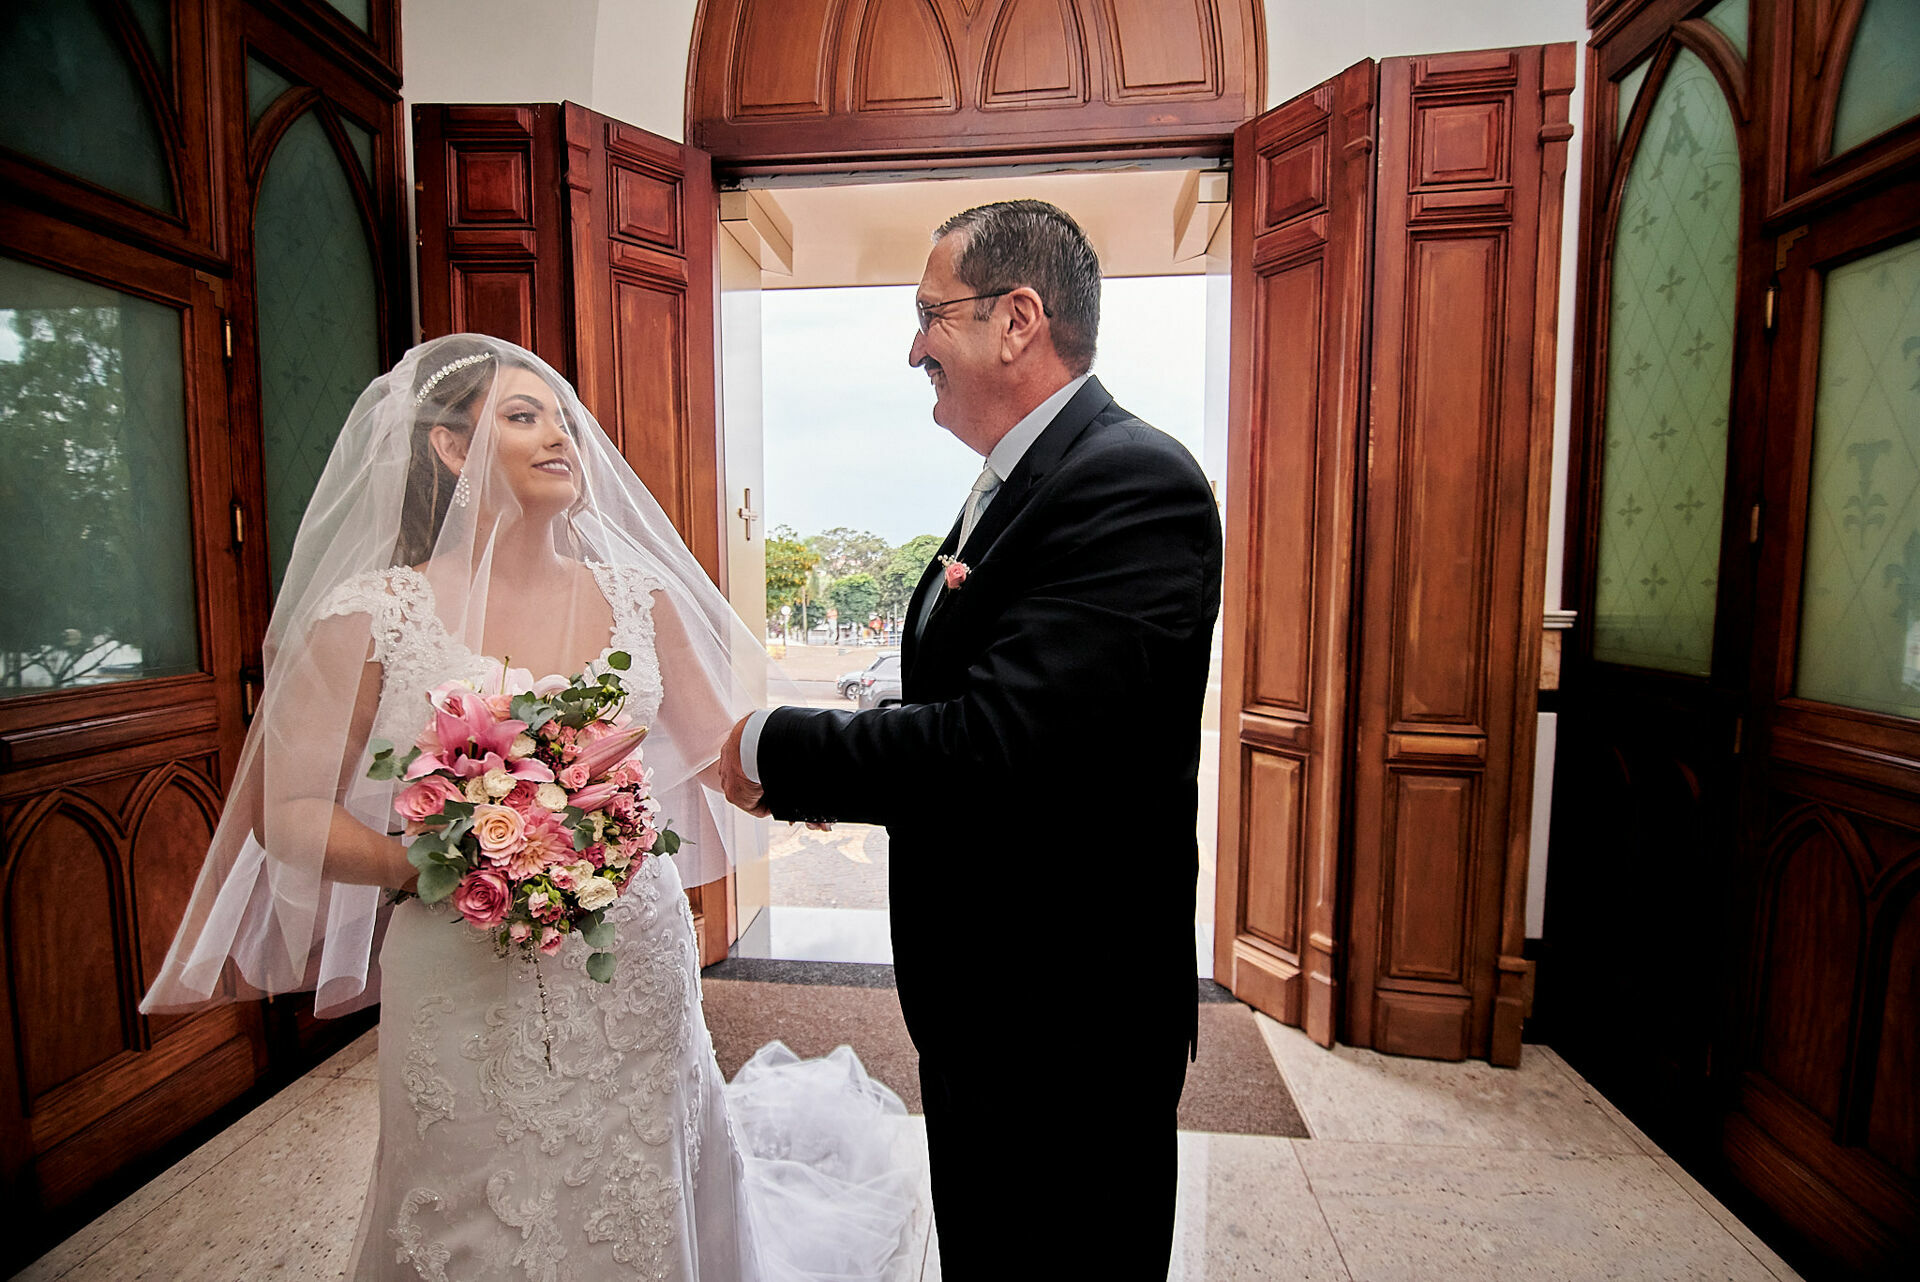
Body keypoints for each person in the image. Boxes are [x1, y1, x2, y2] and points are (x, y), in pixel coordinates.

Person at [141, 334, 923, 1280]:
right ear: (451, 450)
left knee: (645, 1172)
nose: (562, 437)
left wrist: (866, 779)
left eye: (564, 420)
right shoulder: (374, 615)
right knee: (470, 1195)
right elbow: (289, 809)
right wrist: (437, 863)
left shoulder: (642, 599)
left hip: (628, 950)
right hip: (459, 957)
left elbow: (734, 760)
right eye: (523, 416)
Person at [719, 201, 1224, 1277]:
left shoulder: (1131, 481)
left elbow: (1005, 746)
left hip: (1067, 1023)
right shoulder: (1018, 480)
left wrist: (778, 744)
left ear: (1018, 318)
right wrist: (867, 757)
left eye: (930, 314)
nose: (913, 348)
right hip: (991, 1005)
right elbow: (985, 702)